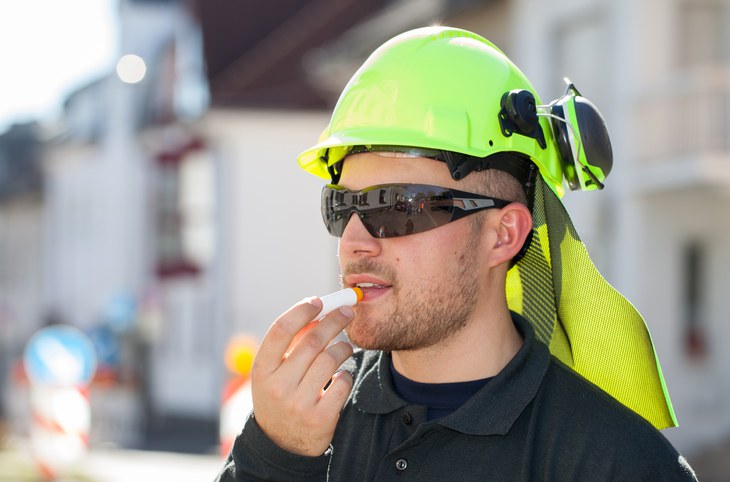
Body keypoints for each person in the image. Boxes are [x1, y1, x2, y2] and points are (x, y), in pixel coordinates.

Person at [216, 26, 697, 481]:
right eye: (343, 205)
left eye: (397, 206)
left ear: (503, 234)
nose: (353, 241)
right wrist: (276, 458)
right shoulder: (305, 422)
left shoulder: (617, 463)